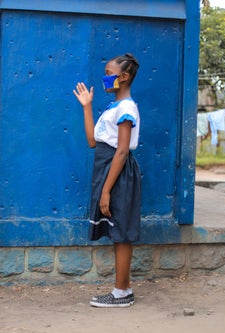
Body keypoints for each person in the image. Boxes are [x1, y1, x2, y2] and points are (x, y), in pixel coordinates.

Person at [73, 53, 141, 308]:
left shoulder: (126, 108)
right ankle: (121, 290)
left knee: (121, 232)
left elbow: (122, 151)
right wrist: (87, 106)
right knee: (116, 230)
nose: (105, 77)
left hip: (118, 173)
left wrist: (106, 191)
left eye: (109, 72)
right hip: (107, 169)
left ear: (123, 77)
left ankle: (122, 292)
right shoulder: (113, 107)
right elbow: (93, 141)